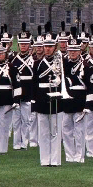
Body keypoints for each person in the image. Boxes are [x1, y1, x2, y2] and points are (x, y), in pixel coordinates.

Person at [32, 32, 65, 167]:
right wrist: (34, 103)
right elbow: (34, 85)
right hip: (41, 100)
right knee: (44, 133)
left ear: (55, 47)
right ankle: (45, 160)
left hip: (56, 99)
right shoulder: (38, 64)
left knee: (55, 132)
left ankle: (55, 160)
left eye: (50, 46)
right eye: (46, 46)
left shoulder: (61, 63)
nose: (48, 49)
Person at [61, 37, 93, 164]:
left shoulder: (87, 66)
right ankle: (69, 155)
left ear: (80, 51)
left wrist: (88, 105)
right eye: (70, 50)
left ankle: (79, 156)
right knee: (66, 131)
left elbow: (91, 88)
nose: (72, 52)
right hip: (67, 102)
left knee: (79, 132)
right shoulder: (63, 64)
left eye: (75, 50)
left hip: (80, 102)